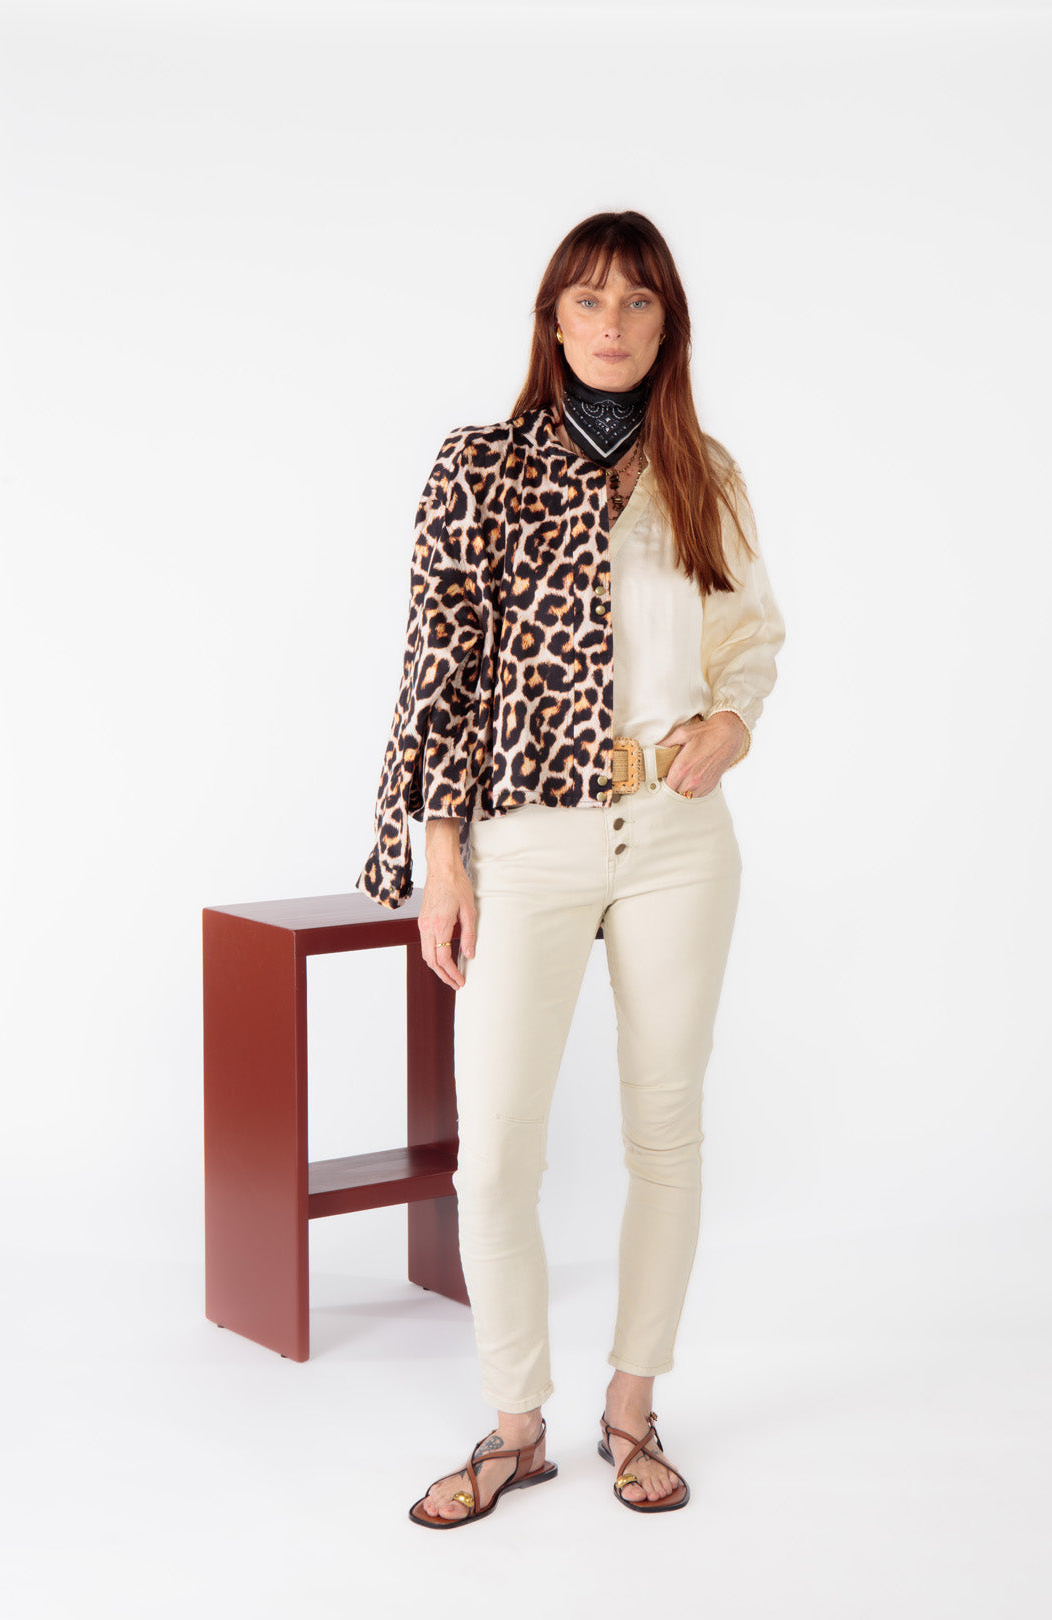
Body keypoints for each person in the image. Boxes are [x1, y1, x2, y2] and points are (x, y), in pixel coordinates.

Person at [356, 210, 786, 1526]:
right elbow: (437, 675)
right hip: (525, 841)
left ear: (668, 326)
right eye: (588, 300)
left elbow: (750, 637)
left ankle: (632, 1409)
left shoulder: (701, 471)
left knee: (666, 1131)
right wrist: (441, 859)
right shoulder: (478, 467)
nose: (611, 323)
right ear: (552, 319)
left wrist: (732, 724)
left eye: (638, 302)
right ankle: (515, 1427)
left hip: (675, 839)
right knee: (495, 1153)